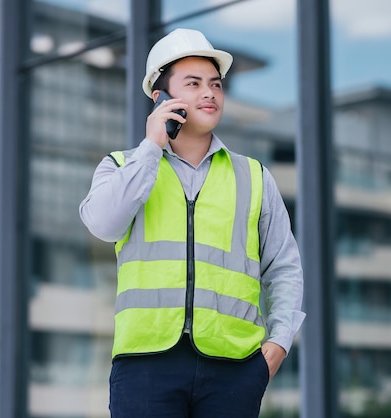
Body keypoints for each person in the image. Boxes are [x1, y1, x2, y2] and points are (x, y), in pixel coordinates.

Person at [79, 28, 305, 418]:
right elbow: (103, 224)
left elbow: (284, 267)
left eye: (216, 84)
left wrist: (279, 343)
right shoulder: (122, 167)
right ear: (161, 97)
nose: (210, 93)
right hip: (145, 365)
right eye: (194, 83)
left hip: (234, 368)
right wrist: (152, 148)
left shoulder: (253, 176)